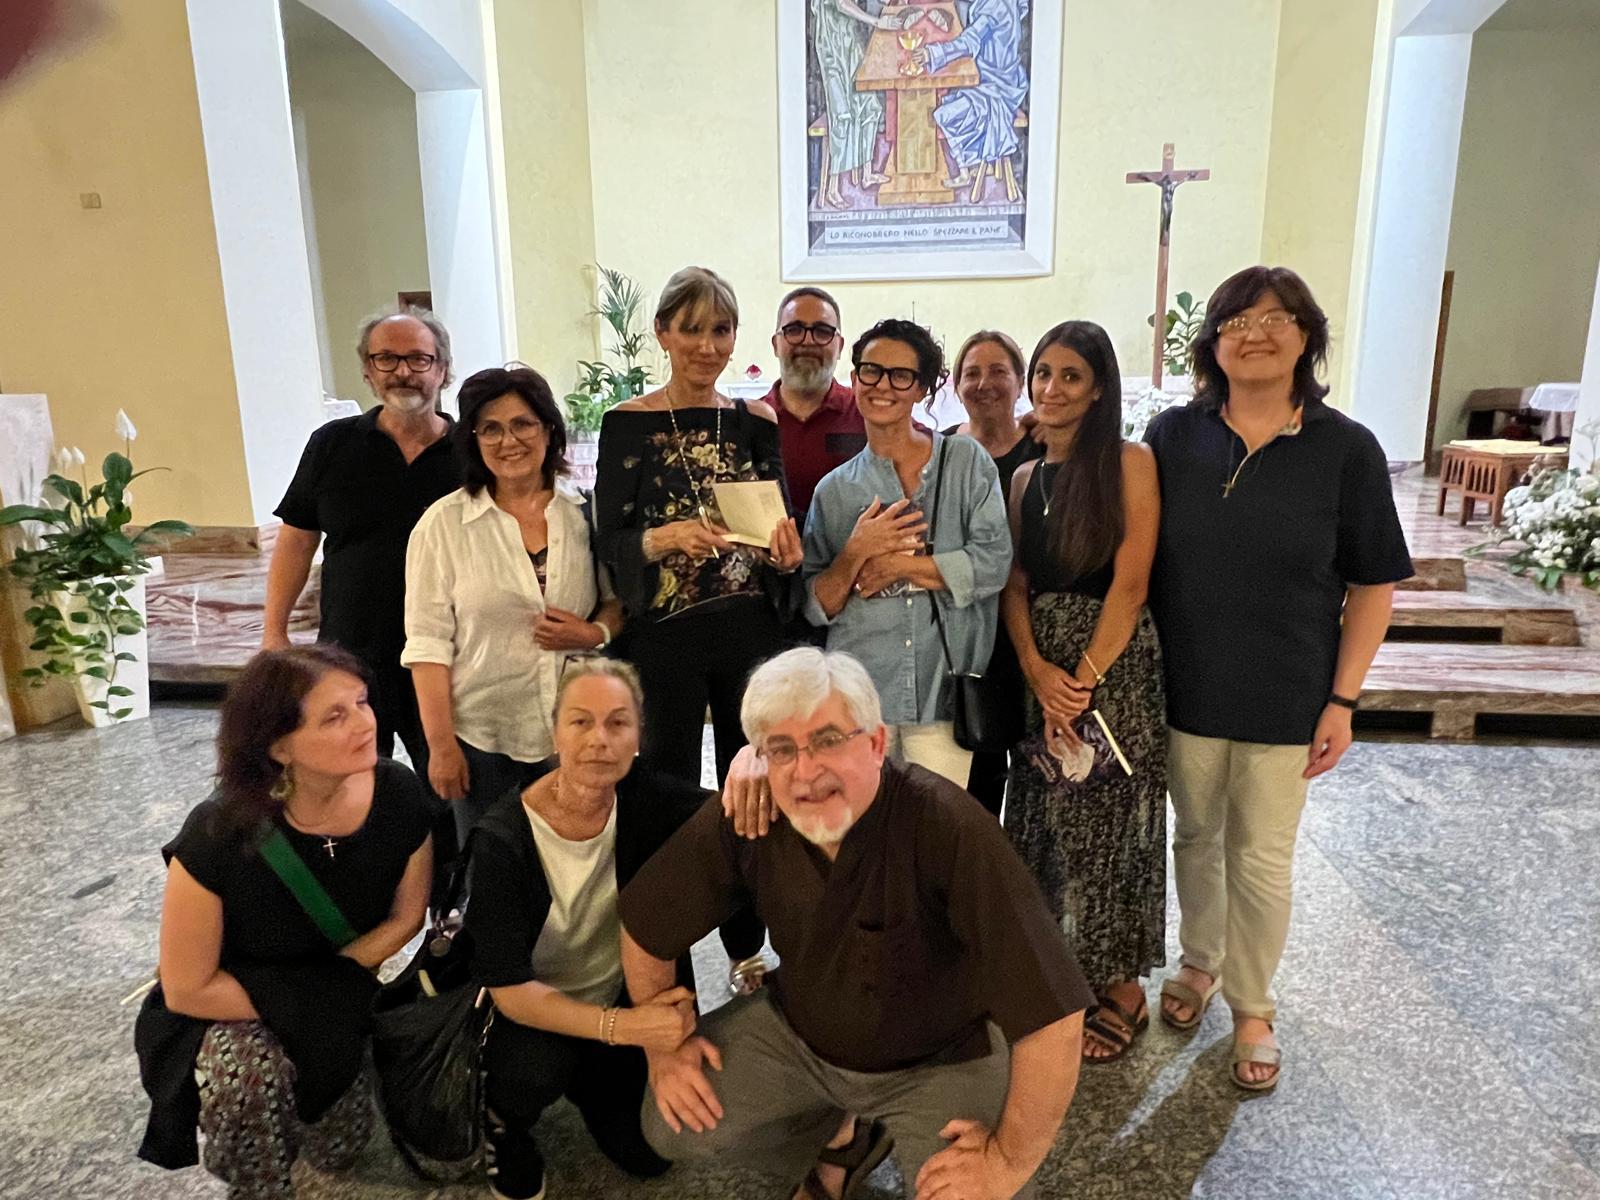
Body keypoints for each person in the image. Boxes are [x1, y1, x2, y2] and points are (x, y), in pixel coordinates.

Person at [618, 647, 1093, 1200]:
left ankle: (875, 1133)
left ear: (876, 743)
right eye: (782, 749)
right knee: (670, 1122)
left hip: (941, 1057)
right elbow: (646, 928)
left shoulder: (947, 825)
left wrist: (1007, 1160)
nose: (806, 771)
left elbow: (1056, 1019)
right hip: (801, 1040)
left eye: (828, 741)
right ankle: (840, 1137)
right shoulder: (752, 811)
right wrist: (663, 1051)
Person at [1143, 266, 1413, 1091]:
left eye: (1276, 318)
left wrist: (1344, 699)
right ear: (1211, 342)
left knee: (1260, 856)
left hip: (1288, 692)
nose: (1254, 334)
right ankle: (1200, 962)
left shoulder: (1345, 449)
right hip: (1187, 685)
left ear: (1306, 337)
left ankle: (1253, 1007)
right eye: (1236, 321)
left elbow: (1373, 584)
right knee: (1195, 836)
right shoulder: (1173, 437)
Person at [135, 646, 433, 1197]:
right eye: (334, 717)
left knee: (339, 1150)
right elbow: (185, 988)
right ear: (279, 747)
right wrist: (307, 999)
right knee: (247, 1082)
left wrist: (327, 990)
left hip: (337, 983)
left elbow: (408, 916)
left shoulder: (399, 792)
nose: (364, 723)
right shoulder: (219, 833)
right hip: (231, 1003)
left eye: (362, 702)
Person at [464, 658, 710, 1200]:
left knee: (650, 1155)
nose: (599, 739)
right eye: (581, 721)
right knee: (534, 1069)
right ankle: (502, 1123)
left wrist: (751, 767)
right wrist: (626, 1028)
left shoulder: (647, 797)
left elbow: (730, 814)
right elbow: (510, 991)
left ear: (639, 737)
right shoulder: (502, 838)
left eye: (618, 723)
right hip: (531, 1013)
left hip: (614, 997)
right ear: (555, 732)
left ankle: (591, 1079)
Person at [1001, 321, 1167, 1064]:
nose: (1052, 388)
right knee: (1049, 822)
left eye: (1071, 375)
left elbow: (1131, 583)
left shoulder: (1130, 463)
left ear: (1099, 388)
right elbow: (1015, 584)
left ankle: (1122, 985)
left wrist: (1084, 681)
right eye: (1043, 373)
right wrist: (1037, 670)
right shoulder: (1024, 479)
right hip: (1044, 671)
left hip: (1114, 665)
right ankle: (1060, 972)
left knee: (1114, 824)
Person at [592, 266, 804, 789]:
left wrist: (785, 554)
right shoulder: (627, 423)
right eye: (691, 329)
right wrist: (667, 537)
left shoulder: (756, 420)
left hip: (749, 628)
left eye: (720, 330)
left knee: (757, 774)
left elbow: (780, 523)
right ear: (662, 332)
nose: (707, 347)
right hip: (665, 633)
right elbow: (607, 540)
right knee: (669, 781)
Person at [402, 365, 622, 844]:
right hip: (483, 736)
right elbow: (427, 645)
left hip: (575, 733)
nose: (509, 441)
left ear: (549, 430)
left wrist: (593, 634)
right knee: (491, 866)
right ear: (473, 439)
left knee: (577, 863)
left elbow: (616, 603)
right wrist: (441, 747)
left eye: (523, 424)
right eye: (491, 429)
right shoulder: (443, 526)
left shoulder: (584, 512)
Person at [802, 317, 1011, 785]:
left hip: (945, 691)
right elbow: (817, 605)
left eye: (901, 376)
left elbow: (993, 564)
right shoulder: (833, 491)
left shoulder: (965, 462)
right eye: (871, 371)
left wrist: (898, 565)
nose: (883, 386)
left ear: (922, 388)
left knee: (935, 824)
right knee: (862, 823)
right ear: (854, 378)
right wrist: (855, 551)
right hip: (859, 696)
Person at [263, 306, 461, 778]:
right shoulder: (331, 444)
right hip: (350, 653)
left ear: (442, 370)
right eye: (386, 359)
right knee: (354, 783)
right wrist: (274, 632)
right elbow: (297, 540)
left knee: (447, 785)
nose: (403, 372)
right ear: (368, 372)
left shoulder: (470, 454)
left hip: (445, 656)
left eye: (419, 359)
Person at [942, 329, 1042, 815]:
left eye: (999, 371)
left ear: (1021, 381)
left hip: (1033, 630)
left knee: (1034, 770)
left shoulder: (1044, 448)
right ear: (956, 385)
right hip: (967, 632)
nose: (984, 384)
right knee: (975, 771)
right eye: (972, 373)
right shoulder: (939, 452)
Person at [762, 285, 867, 531]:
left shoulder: (867, 414)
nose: (808, 341)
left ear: (839, 346)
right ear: (775, 344)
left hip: (855, 553)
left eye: (822, 331)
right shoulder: (751, 422)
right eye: (794, 330)